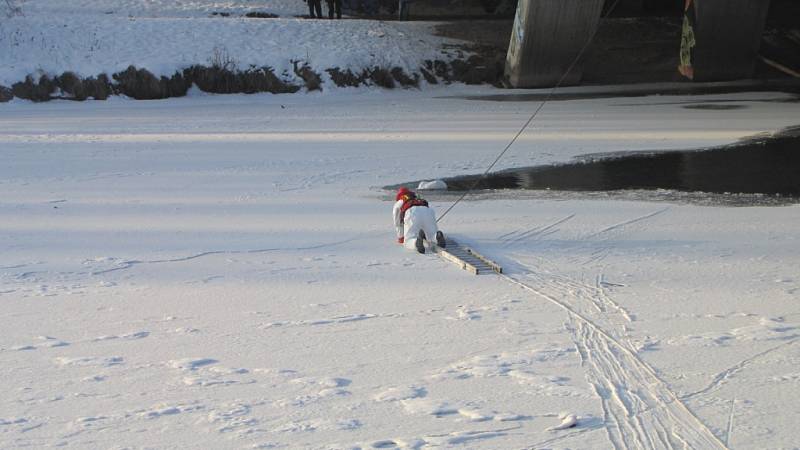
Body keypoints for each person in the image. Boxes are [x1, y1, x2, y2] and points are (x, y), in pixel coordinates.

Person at [393, 187, 446, 254]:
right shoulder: (417, 198)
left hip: (412, 212)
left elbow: (397, 222)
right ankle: (437, 237)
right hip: (427, 211)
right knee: (431, 235)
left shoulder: (400, 201)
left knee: (408, 240)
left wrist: (400, 237)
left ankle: (416, 242)